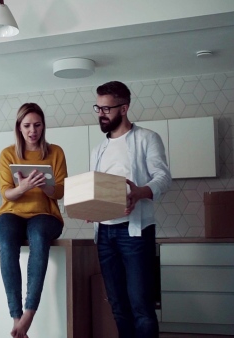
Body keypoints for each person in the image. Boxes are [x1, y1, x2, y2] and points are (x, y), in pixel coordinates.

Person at [90, 81, 171, 338]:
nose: (101, 114)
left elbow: (163, 177)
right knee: (118, 306)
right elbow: (98, 190)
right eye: (98, 108)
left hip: (135, 233)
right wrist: (90, 207)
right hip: (104, 234)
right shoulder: (98, 150)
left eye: (106, 109)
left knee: (141, 306)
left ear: (124, 108)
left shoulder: (147, 138)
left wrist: (139, 192)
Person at [0, 102, 67, 338]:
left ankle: (29, 313)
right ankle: (16, 316)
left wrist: (47, 186)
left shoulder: (55, 152)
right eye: (27, 125)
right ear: (19, 127)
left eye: (37, 125)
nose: (32, 130)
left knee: (38, 236)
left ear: (43, 126)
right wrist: (23, 187)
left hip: (45, 215)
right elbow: (6, 193)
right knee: (6, 240)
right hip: (12, 212)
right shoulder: (7, 154)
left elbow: (62, 192)